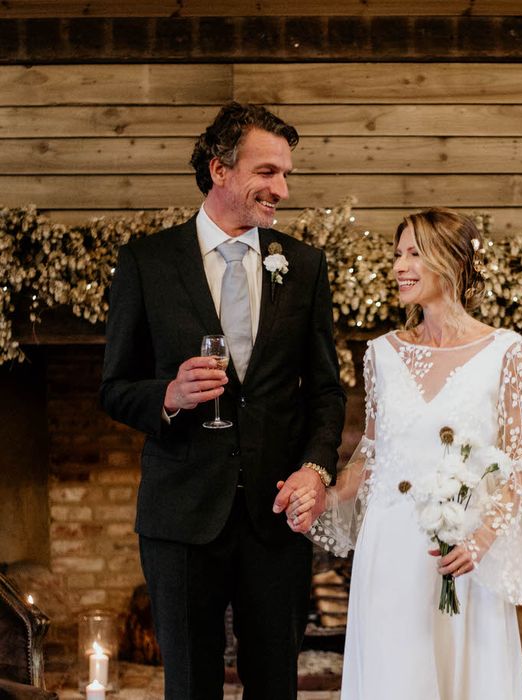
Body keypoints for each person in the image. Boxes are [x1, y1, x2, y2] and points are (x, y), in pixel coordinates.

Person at [100, 102, 346, 700]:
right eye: (267, 172)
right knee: (189, 687)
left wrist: (315, 470)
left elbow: (326, 390)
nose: (281, 189)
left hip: (275, 520)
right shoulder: (147, 264)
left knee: (274, 687)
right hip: (181, 519)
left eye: (285, 174)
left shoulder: (305, 266)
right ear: (220, 169)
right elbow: (113, 387)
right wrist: (170, 394)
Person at [303, 208, 522, 699]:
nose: (399, 266)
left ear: (452, 262)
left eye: (414, 254)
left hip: (464, 554)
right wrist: (329, 491)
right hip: (389, 548)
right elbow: (372, 452)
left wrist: (482, 540)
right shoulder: (381, 353)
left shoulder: (506, 351)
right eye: (398, 254)